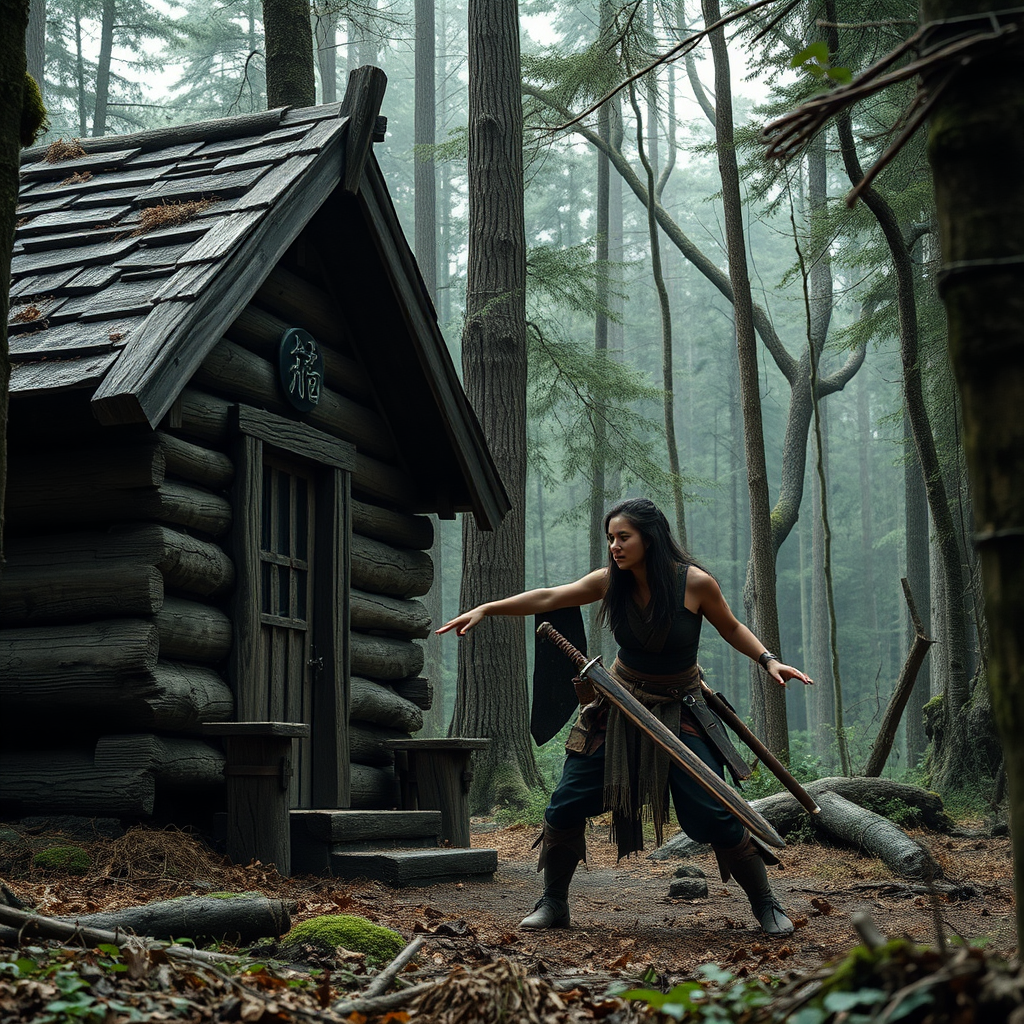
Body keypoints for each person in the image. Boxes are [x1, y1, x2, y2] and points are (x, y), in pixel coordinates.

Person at [437, 497, 812, 938]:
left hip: (681, 706)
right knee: (566, 803)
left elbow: (730, 627)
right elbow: (550, 596)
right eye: (610, 538)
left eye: (623, 537)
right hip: (616, 704)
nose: (614, 546)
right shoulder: (609, 582)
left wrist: (769, 660)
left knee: (716, 811)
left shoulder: (694, 584)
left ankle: (766, 905)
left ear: (649, 538)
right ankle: (553, 902)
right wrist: (488, 608)